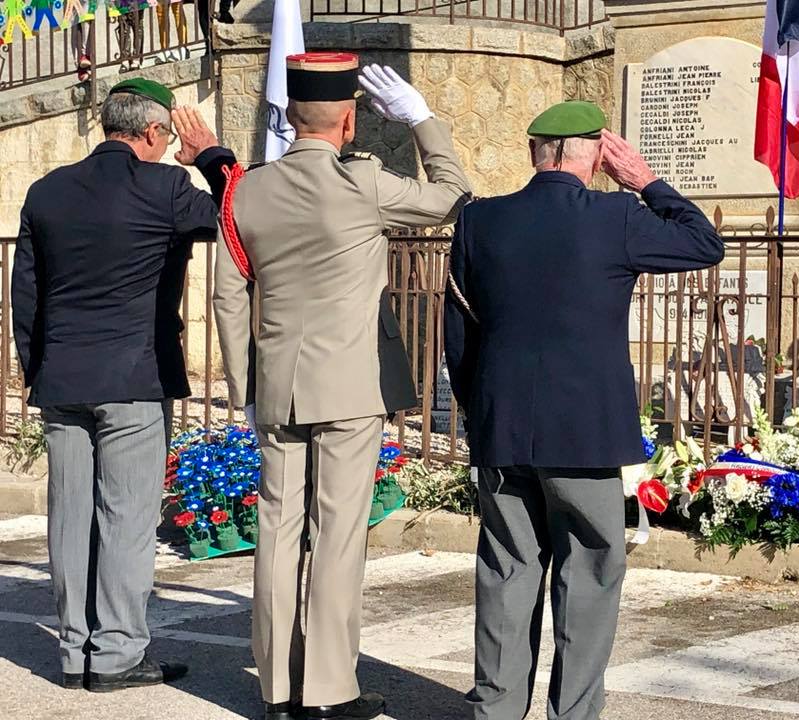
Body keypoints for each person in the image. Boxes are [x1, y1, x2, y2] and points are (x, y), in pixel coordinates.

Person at [208, 54, 470, 720]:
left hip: (275, 386)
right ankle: (327, 690)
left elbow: (228, 293)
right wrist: (421, 120)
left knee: (275, 532)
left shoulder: (246, 190)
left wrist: (245, 382)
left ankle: (275, 690)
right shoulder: (364, 184)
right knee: (336, 537)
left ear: (291, 115)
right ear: (349, 121)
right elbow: (451, 194)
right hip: (348, 389)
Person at [443, 101, 725, 720]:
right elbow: (705, 243)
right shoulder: (617, 214)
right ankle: (571, 715)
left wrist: (479, 410)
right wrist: (647, 181)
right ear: (596, 155)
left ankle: (495, 710)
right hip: (586, 432)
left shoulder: (481, 221)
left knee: (506, 573)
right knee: (590, 575)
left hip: (504, 425)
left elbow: (457, 332)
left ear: (534, 152)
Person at [12, 78, 235, 693]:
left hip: (61, 376)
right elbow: (240, 216)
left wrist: (39, 369)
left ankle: (73, 650)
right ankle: (115, 654)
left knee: (70, 517)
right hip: (133, 377)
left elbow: (24, 292)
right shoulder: (167, 187)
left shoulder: (47, 190)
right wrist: (211, 158)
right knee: (126, 518)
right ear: (155, 133)